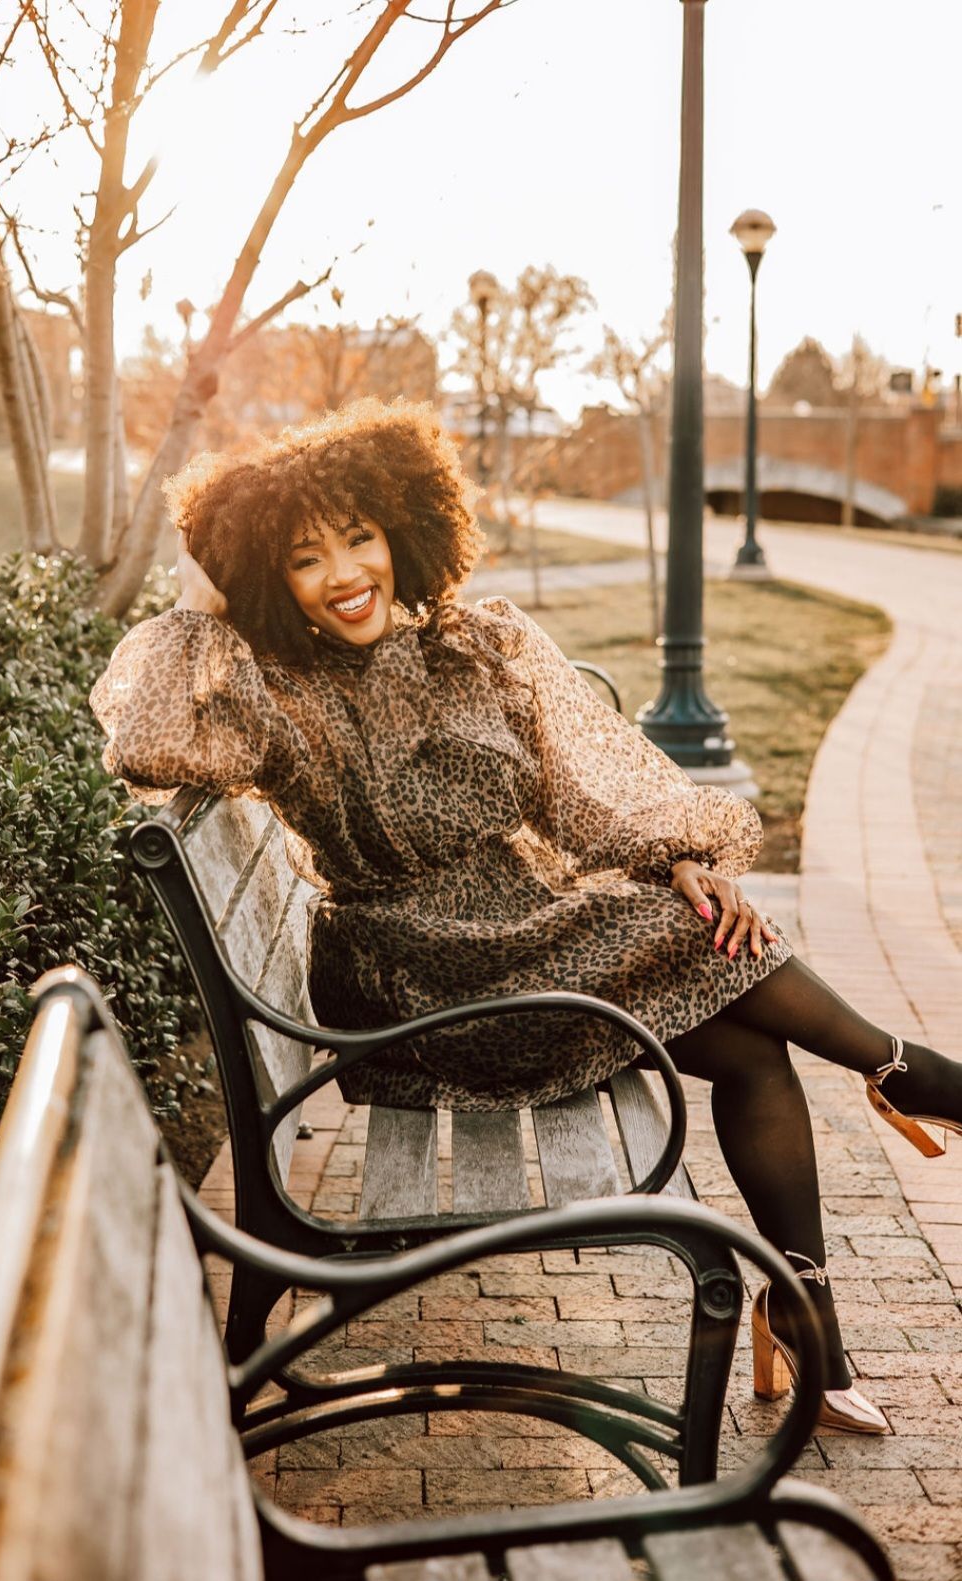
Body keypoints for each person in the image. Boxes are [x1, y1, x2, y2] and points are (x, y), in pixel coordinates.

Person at [90, 398, 962, 1437]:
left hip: (529, 935)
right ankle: (905, 1071)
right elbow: (142, 743)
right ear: (271, 581)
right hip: (416, 973)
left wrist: (678, 854)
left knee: (748, 1044)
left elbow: (581, 792)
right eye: (302, 557)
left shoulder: (481, 642)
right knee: (694, 944)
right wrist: (206, 596)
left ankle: (809, 1307)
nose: (344, 573)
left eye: (358, 537)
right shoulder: (272, 695)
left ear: (403, 533)